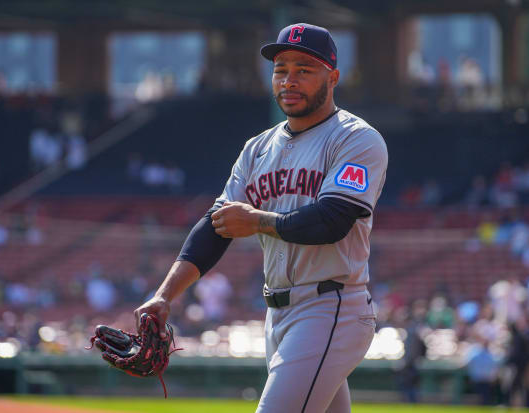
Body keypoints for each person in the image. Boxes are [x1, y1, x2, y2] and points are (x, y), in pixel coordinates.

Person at [134, 23, 388, 413]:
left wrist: (257, 222)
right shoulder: (257, 148)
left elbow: (332, 220)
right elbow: (216, 225)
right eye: (280, 69)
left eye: (304, 69)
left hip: (331, 306)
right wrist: (164, 295)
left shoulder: (355, 138)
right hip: (278, 314)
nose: (289, 80)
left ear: (333, 77)